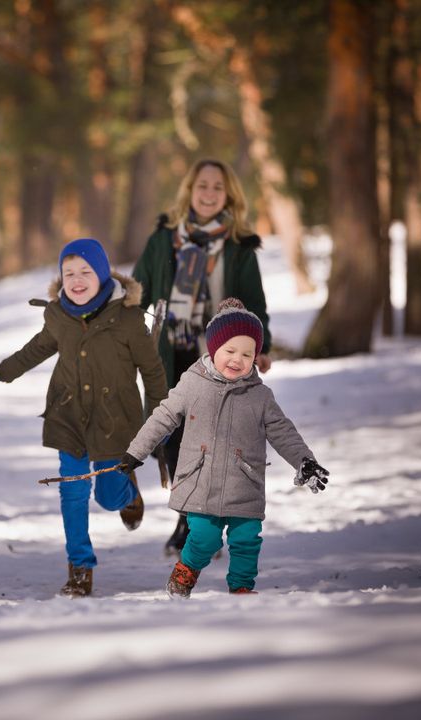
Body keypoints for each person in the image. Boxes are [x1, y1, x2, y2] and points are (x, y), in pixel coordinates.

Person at [0, 238, 168, 598]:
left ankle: (127, 493)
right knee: (73, 492)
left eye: (86, 272)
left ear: (102, 275)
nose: (77, 281)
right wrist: (0, 372)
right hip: (69, 417)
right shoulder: (58, 316)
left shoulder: (127, 319)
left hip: (115, 421)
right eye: (69, 273)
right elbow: (34, 350)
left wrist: (158, 421)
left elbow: (154, 372)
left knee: (108, 499)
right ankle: (80, 568)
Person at [117, 298, 329, 597]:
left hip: (245, 482)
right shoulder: (192, 384)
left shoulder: (260, 396)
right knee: (204, 538)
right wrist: (135, 452)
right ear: (213, 349)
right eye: (229, 351)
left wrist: (303, 460)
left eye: (247, 353)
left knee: (247, 540)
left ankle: (242, 589)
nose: (237, 359)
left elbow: (283, 432)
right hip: (201, 482)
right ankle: (186, 571)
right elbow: (163, 417)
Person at [132, 157, 274, 557]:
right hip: (168, 350)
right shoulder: (163, 239)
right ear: (189, 191)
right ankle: (190, 516)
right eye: (202, 186)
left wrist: (261, 346)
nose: (209, 194)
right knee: (171, 435)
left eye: (217, 187)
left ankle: (193, 524)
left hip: (216, 354)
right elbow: (139, 289)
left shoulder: (239, 245)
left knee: (209, 437)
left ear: (228, 194)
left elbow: (255, 300)